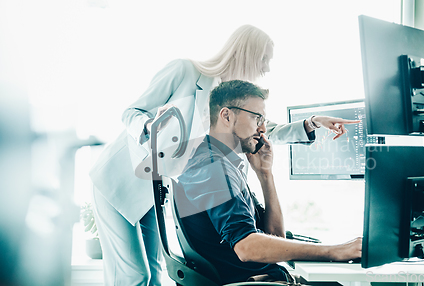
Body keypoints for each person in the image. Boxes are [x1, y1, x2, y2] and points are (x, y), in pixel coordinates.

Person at [89, 24, 359, 285]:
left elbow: (263, 129)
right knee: (134, 276)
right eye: (264, 59)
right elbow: (131, 113)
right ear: (246, 53)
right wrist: (150, 126)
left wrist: (312, 122)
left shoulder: (228, 100)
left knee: (155, 273)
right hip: (120, 180)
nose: (266, 67)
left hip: (153, 188)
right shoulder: (185, 71)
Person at [177, 80, 362, 285]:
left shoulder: (218, 161)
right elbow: (247, 247)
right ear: (226, 116)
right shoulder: (213, 168)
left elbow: (275, 236)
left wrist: (265, 175)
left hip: (262, 278)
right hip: (255, 281)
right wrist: (335, 251)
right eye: (257, 118)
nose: (263, 128)